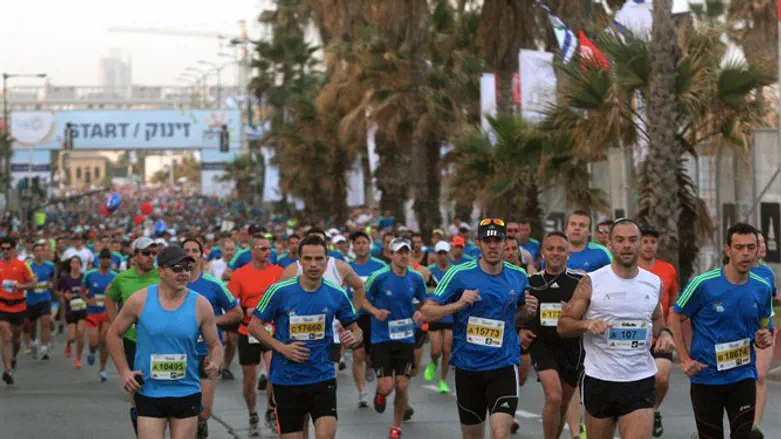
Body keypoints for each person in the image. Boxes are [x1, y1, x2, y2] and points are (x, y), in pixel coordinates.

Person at [557, 218, 675, 439]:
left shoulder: (653, 283)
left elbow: (658, 319)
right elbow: (563, 325)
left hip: (639, 379)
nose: (626, 245)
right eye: (620, 240)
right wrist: (586, 324)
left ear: (640, 244)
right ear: (609, 244)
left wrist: (666, 334)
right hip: (600, 379)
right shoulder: (591, 282)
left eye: (632, 240)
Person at [421, 218, 537, 439]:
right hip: (468, 366)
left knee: (500, 434)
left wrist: (529, 312)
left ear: (505, 243)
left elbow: (519, 317)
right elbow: (426, 312)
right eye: (487, 240)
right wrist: (458, 304)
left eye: (498, 240)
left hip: (503, 364)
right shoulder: (459, 274)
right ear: (478, 243)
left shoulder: (519, 276)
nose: (493, 246)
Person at [248, 235, 363, 439]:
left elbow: (355, 329)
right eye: (308, 259)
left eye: (319, 259)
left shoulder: (336, 293)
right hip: (287, 380)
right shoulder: (279, 291)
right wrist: (281, 347)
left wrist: (354, 338)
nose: (313, 264)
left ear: (327, 261)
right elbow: (254, 326)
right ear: (299, 261)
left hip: (322, 376)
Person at [668, 223, 773, 439]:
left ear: (757, 250)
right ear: (728, 250)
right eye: (739, 247)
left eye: (750, 247)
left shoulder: (762, 286)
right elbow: (675, 315)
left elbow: (764, 327)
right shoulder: (703, 284)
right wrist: (685, 358)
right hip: (707, 378)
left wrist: (764, 336)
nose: (745, 253)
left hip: (743, 375)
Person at [106, 245, 223, 439]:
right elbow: (113, 334)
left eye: (187, 268)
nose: (183, 273)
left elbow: (215, 344)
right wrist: (124, 372)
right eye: (177, 268)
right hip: (149, 391)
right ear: (161, 271)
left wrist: (215, 363)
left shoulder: (201, 304)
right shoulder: (139, 300)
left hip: (186, 391)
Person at [362, 237, 428, 439]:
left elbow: (425, 301)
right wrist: (375, 311)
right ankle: (380, 394)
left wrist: (421, 312)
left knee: (402, 384)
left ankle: (396, 426)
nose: (404, 256)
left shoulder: (416, 278)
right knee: (387, 386)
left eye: (407, 252)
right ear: (390, 254)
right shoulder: (379, 277)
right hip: (381, 338)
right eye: (399, 252)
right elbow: (361, 299)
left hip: (405, 338)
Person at [519, 232, 583, 439]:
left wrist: (575, 313)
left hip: (572, 348)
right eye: (550, 248)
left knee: (563, 403)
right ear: (543, 254)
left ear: (568, 254)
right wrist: (521, 329)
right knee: (554, 397)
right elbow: (517, 311)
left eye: (560, 249)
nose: (555, 253)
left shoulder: (580, 282)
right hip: (542, 345)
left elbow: (594, 310)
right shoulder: (531, 282)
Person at [182, 238, 243, 439]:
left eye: (195, 250)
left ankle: (201, 426)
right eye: (186, 250)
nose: (191, 254)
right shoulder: (171, 285)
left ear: (202, 255)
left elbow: (236, 312)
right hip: (178, 354)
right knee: (182, 411)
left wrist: (210, 322)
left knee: (203, 412)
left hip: (207, 353)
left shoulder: (214, 285)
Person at [227, 234, 284, 437]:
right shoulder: (240, 274)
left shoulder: (279, 272)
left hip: (272, 330)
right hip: (247, 331)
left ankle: (271, 410)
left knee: (273, 373)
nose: (268, 252)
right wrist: (245, 309)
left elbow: (286, 299)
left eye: (269, 248)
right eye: (263, 248)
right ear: (252, 251)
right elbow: (231, 303)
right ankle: (252, 414)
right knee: (249, 379)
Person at [105, 236, 162, 436]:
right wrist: (116, 324)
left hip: (159, 341)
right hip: (132, 340)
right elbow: (109, 296)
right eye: (146, 253)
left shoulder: (162, 275)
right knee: (137, 390)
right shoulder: (123, 278)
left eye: (155, 254)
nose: (151, 258)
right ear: (135, 256)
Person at [636, 225, 679, 437]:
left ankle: (653, 410)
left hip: (659, 333)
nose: (649, 245)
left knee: (661, 377)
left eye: (653, 242)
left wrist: (669, 330)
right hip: (635, 334)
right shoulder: (629, 267)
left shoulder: (668, 269)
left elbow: (674, 304)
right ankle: (637, 412)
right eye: (645, 241)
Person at [348, 230, 388, 407]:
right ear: (353, 247)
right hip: (355, 317)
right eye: (357, 243)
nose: (361, 246)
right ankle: (362, 393)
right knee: (358, 354)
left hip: (376, 317)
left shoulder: (380, 266)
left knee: (373, 354)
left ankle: (371, 363)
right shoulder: (347, 267)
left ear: (369, 245)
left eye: (364, 242)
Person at [0, 237, 36, 384]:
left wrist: (21, 287)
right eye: (3, 249)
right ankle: (7, 370)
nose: (5, 251)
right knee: (6, 336)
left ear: (14, 249)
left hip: (19, 306)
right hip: (2, 305)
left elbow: (33, 283)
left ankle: (14, 357)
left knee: (16, 338)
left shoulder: (22, 265)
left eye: (8, 249)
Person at [751, 231, 776, 437]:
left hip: (764, 328)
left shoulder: (767, 272)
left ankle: (754, 426)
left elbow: (771, 299)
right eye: (757, 242)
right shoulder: (726, 272)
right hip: (738, 330)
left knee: (759, 375)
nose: (762, 245)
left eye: (762, 242)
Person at [423, 241, 454, 394]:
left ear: (449, 253)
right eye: (439, 253)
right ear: (435, 254)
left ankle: (442, 380)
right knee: (436, 350)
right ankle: (434, 363)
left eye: (444, 253)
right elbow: (426, 292)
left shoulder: (454, 271)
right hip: (434, 316)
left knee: (447, 350)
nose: (442, 256)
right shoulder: (429, 272)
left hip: (450, 315)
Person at [82, 249, 117, 381]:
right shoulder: (90, 275)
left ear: (111, 260)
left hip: (107, 313)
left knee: (105, 341)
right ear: (99, 260)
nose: (105, 261)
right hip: (93, 312)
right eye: (103, 258)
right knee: (94, 341)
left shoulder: (115, 276)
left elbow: (118, 294)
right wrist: (88, 300)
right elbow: (82, 292)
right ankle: (91, 351)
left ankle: (102, 369)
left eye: (108, 258)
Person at [24, 242, 56, 360]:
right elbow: (24, 283)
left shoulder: (50, 265)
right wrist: (31, 284)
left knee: (45, 322)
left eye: (41, 250)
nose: (39, 253)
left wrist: (51, 284)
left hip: (45, 299)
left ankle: (44, 347)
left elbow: (53, 279)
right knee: (31, 326)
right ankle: (33, 342)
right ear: (33, 253)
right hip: (31, 300)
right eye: (36, 250)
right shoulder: (28, 266)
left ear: (44, 252)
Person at [58, 256, 87, 367]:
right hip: (70, 310)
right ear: (70, 265)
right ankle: (68, 344)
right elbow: (56, 291)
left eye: (77, 262)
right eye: (73, 262)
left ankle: (78, 358)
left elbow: (89, 290)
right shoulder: (65, 278)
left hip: (82, 309)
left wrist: (86, 293)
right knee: (72, 337)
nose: (75, 264)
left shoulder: (84, 277)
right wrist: (64, 295)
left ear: (80, 264)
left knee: (80, 333)